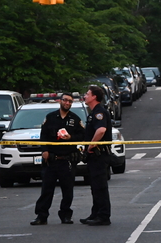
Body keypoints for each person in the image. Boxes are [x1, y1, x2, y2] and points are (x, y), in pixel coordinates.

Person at [30, 92, 85, 225]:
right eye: (65, 100)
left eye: (70, 101)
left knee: (67, 190)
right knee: (47, 189)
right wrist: (44, 150)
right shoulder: (50, 117)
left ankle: (66, 215)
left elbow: (83, 135)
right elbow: (43, 136)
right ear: (60, 101)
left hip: (67, 160)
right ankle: (41, 216)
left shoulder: (75, 119)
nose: (67, 103)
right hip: (51, 160)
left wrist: (71, 138)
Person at [80, 85, 112, 226]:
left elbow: (101, 130)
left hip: (99, 155)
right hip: (94, 157)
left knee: (100, 186)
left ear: (94, 97)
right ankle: (96, 213)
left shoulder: (100, 113)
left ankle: (103, 216)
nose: (85, 96)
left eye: (87, 94)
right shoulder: (92, 113)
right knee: (95, 186)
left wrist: (91, 145)